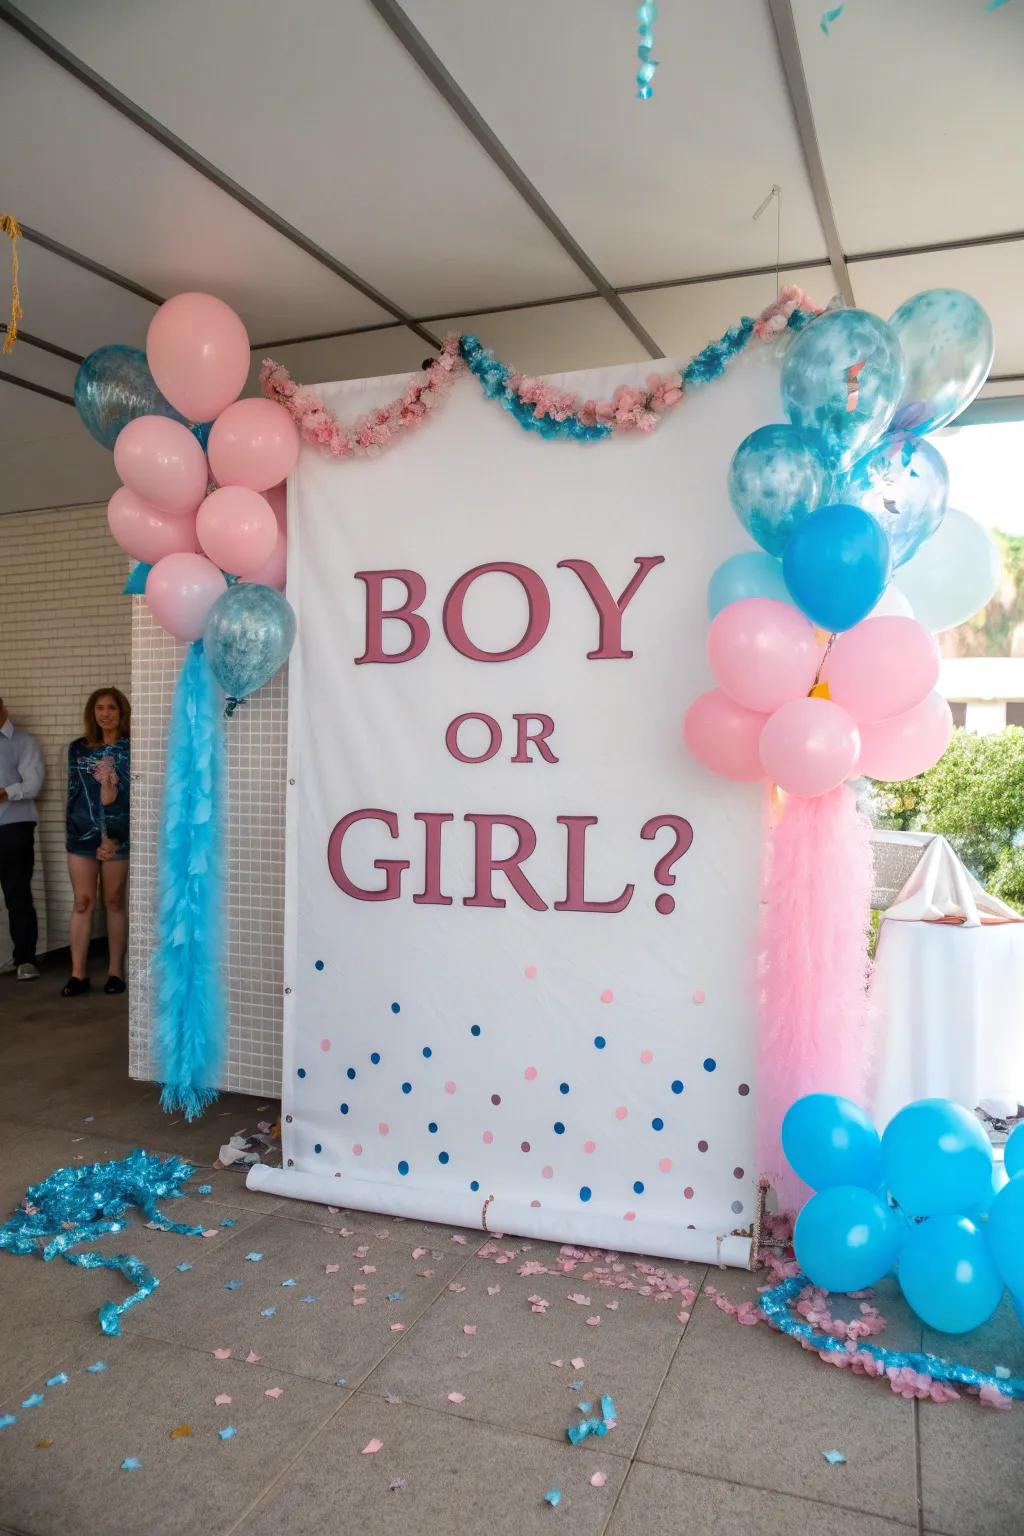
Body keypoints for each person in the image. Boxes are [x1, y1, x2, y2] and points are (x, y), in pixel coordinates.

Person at [63, 688, 131, 998]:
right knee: (83, 902)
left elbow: (133, 796)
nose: (105, 713)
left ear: (121, 712)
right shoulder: (78, 749)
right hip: (82, 835)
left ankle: (115, 971)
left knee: (114, 901)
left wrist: (114, 837)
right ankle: (78, 974)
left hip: (118, 837)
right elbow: (75, 794)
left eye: (112, 708)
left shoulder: (132, 748)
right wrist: (85, 834)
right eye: (100, 708)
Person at [0, 695, 44, 981]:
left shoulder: (23, 742)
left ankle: (26, 959)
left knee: (17, 894)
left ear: (2, 709)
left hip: (14, 826)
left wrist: (4, 792)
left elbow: (34, 783)